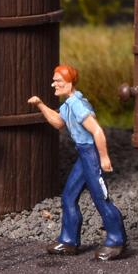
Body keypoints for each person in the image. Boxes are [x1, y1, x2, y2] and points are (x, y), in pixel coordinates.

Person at [29, 65, 126, 260]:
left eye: (58, 81)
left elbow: (97, 130)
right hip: (83, 154)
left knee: (101, 199)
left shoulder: (78, 105)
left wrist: (104, 157)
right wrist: (40, 105)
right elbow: (59, 123)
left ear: (69, 82)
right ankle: (68, 241)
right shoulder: (67, 105)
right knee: (68, 197)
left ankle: (116, 241)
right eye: (54, 80)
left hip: (92, 155)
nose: (54, 84)